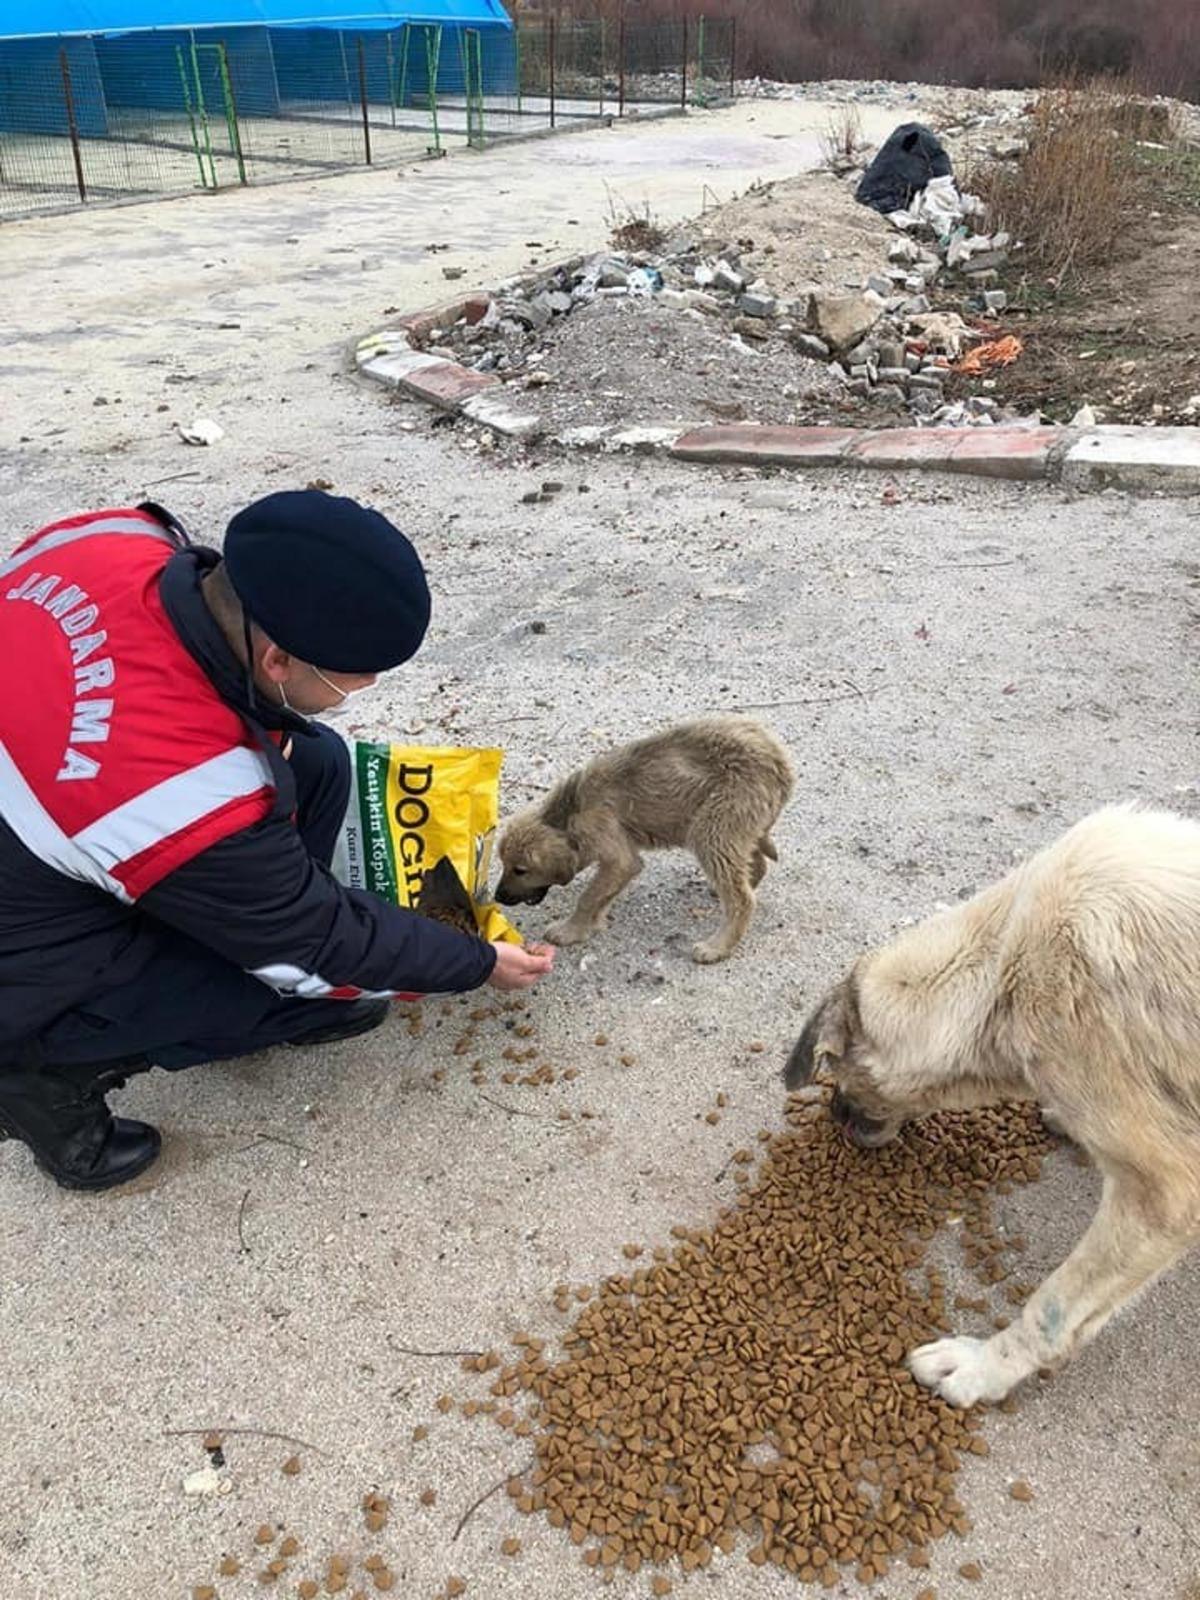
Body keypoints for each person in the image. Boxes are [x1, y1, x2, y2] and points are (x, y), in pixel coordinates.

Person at [0, 491, 554, 1193]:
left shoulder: (114, 538)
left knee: (314, 760)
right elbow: (309, 946)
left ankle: (265, 946)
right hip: (20, 953)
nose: (369, 685)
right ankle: (39, 1078)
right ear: (279, 659)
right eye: (357, 676)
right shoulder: (178, 795)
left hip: (37, 823)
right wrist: (474, 961)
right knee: (254, 981)